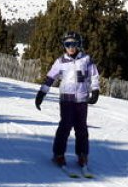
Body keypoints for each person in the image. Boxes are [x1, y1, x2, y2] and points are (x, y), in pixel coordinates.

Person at [35, 31, 101, 169]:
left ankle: (82, 155)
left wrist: (95, 91)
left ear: (79, 44)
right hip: (66, 99)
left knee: (81, 128)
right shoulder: (60, 62)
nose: (71, 47)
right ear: (64, 46)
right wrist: (42, 93)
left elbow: (94, 76)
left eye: (74, 44)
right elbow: (50, 79)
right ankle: (58, 154)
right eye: (67, 44)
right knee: (65, 126)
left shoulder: (86, 60)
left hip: (82, 99)